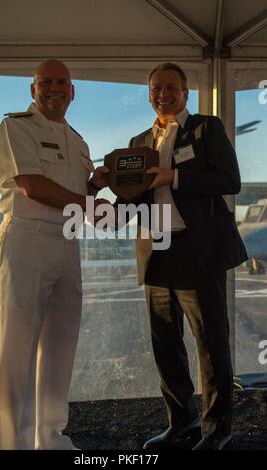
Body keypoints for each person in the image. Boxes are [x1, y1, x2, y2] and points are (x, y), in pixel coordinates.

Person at [114, 63, 247, 450]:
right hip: (156, 251)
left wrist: (176, 177)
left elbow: (230, 182)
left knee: (210, 343)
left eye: (171, 87)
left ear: (185, 92)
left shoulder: (207, 128)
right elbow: (133, 196)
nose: (163, 94)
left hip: (198, 251)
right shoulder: (139, 140)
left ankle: (217, 430)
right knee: (165, 343)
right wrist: (110, 183)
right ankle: (182, 422)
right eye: (156, 88)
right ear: (149, 93)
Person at [0, 59, 108, 450]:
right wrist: (87, 203)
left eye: (62, 82)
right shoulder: (15, 127)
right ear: (33, 89)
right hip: (27, 240)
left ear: (73, 91)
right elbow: (32, 185)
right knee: (17, 351)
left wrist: (95, 186)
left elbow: (77, 199)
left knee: (60, 347)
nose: (55, 88)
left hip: (68, 243)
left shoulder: (78, 141)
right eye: (47, 82)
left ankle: (51, 437)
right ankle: (15, 444)